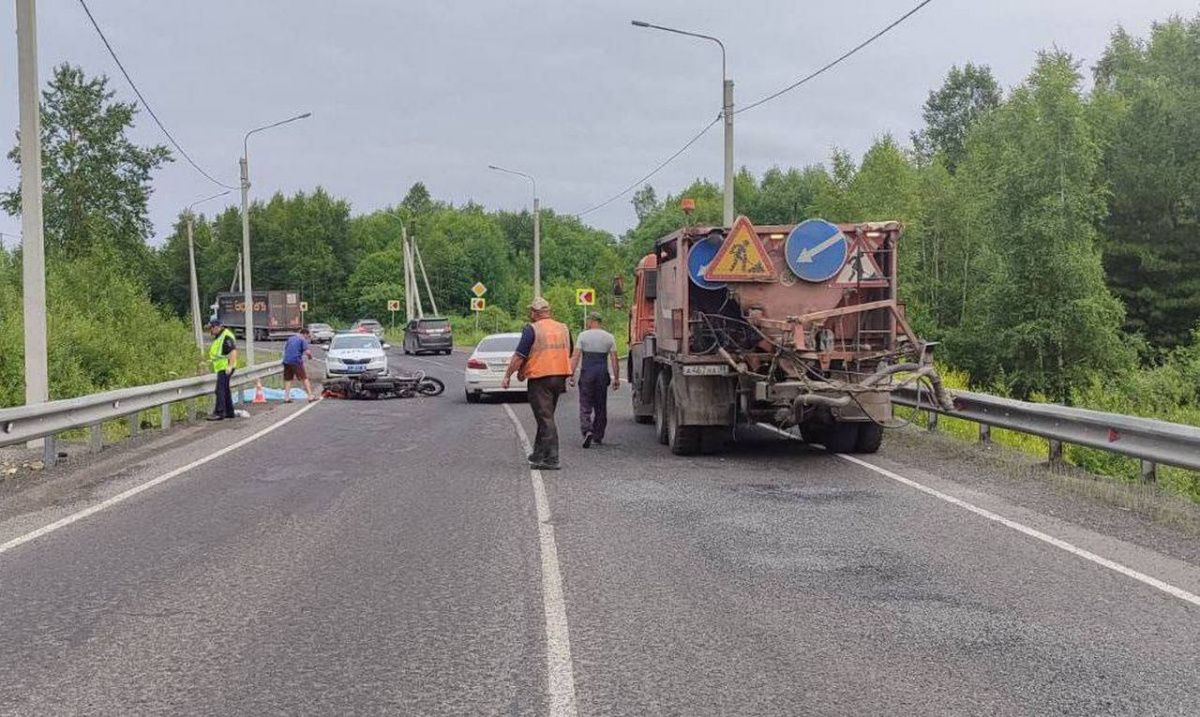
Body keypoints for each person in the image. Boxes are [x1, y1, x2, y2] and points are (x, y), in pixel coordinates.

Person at [502, 297, 572, 470]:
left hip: (540, 378)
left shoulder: (532, 329)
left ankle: (552, 458)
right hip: (560, 375)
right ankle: (538, 453)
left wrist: (508, 375)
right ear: (548, 312)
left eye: (531, 311)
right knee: (546, 415)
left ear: (534, 313)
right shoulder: (563, 328)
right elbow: (568, 350)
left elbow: (520, 356)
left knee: (545, 418)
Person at [568, 312, 619, 448]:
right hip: (602, 373)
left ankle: (587, 430)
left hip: (587, 373)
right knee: (600, 405)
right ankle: (598, 435)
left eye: (587, 320)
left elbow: (576, 356)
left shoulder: (583, 336)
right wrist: (617, 378)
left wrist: (571, 374)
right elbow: (614, 359)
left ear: (591, 321)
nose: (586, 323)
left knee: (585, 404)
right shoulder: (609, 337)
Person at [205, 317, 238, 421]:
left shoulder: (226, 336)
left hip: (226, 367)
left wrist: (230, 366)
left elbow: (233, 351)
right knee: (225, 390)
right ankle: (229, 412)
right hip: (222, 366)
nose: (210, 330)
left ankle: (219, 413)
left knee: (219, 390)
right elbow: (219, 354)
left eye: (211, 328)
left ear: (217, 327)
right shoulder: (220, 335)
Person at [282, 327, 317, 402]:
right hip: (296, 361)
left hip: (286, 361)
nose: (307, 338)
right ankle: (310, 396)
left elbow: (286, 349)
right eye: (308, 336)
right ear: (305, 334)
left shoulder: (290, 338)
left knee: (288, 379)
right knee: (304, 378)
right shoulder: (302, 339)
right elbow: (308, 352)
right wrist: (310, 357)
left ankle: (286, 398)